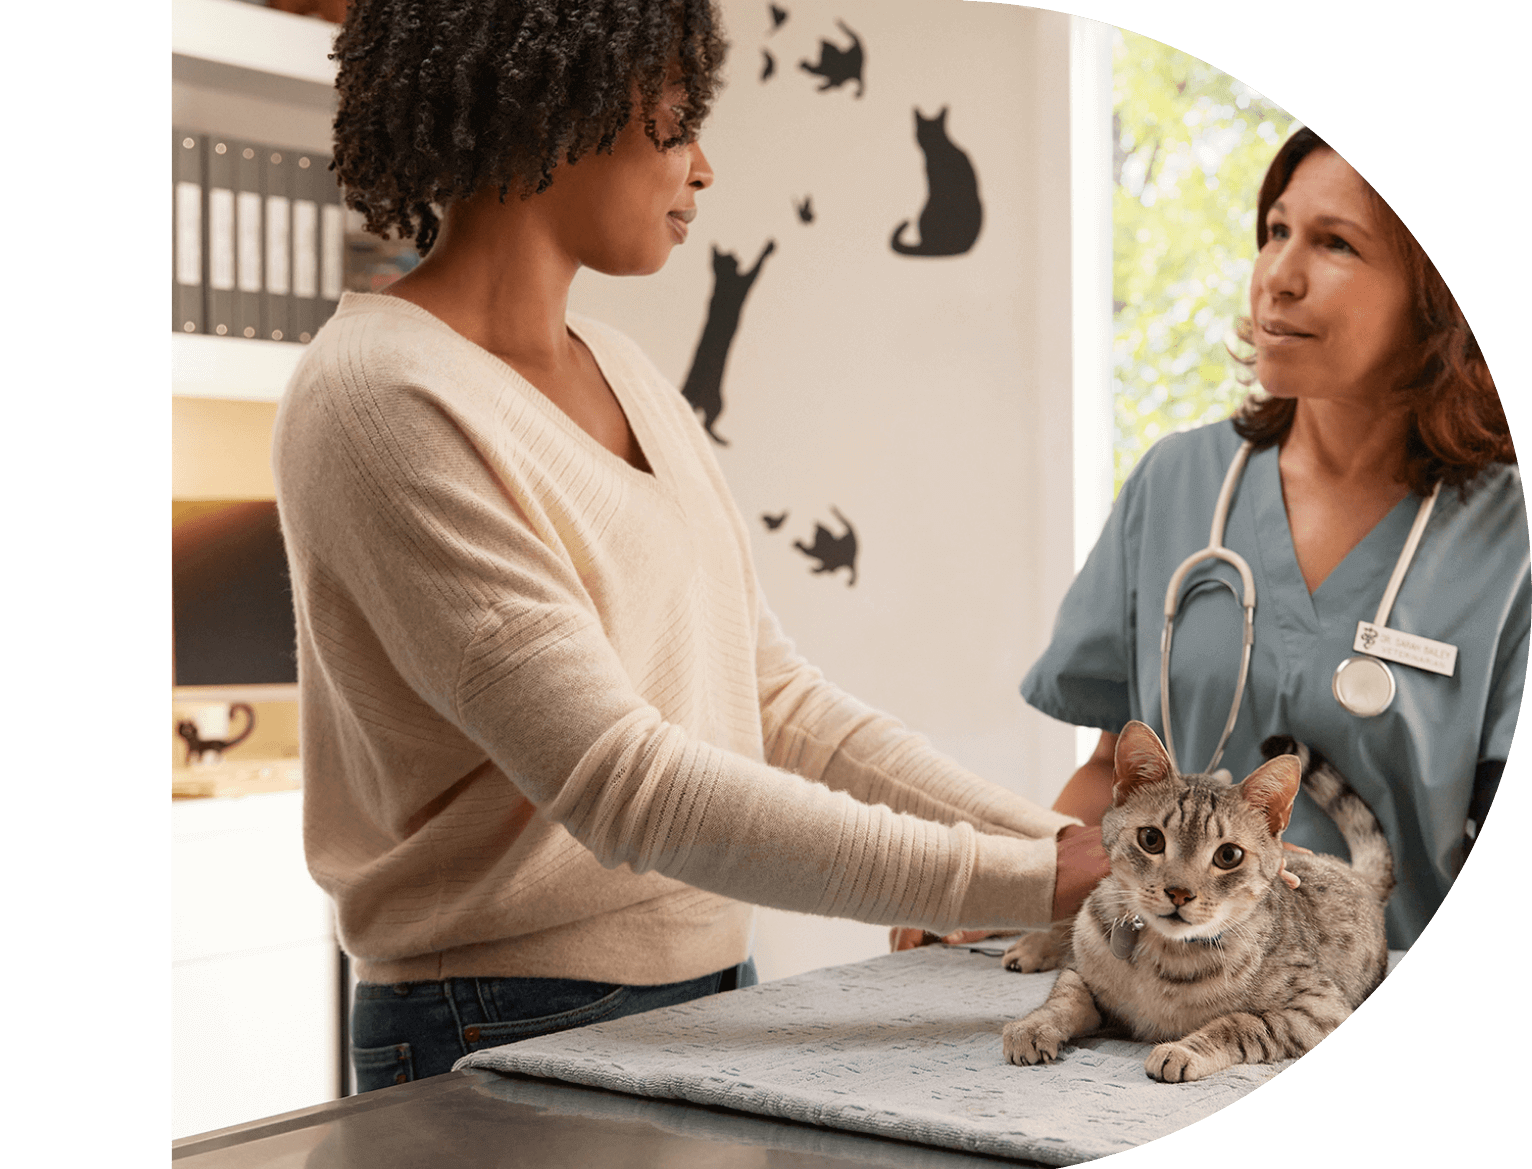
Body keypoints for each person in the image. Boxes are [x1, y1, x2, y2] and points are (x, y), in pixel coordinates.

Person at [274, 0, 1103, 1092]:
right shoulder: (379, 398)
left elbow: (775, 700)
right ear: (545, 110)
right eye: (671, 125)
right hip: (497, 1020)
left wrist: (1074, 857)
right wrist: (1018, 880)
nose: (703, 169)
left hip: (713, 986)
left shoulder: (623, 370)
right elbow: (627, 782)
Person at [1023, 127, 1524, 951]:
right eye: (1275, 232)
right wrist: (1005, 887)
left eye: (1334, 244)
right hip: (1155, 1004)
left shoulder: (1511, 542)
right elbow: (1108, 774)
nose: (1277, 278)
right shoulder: (1177, 482)